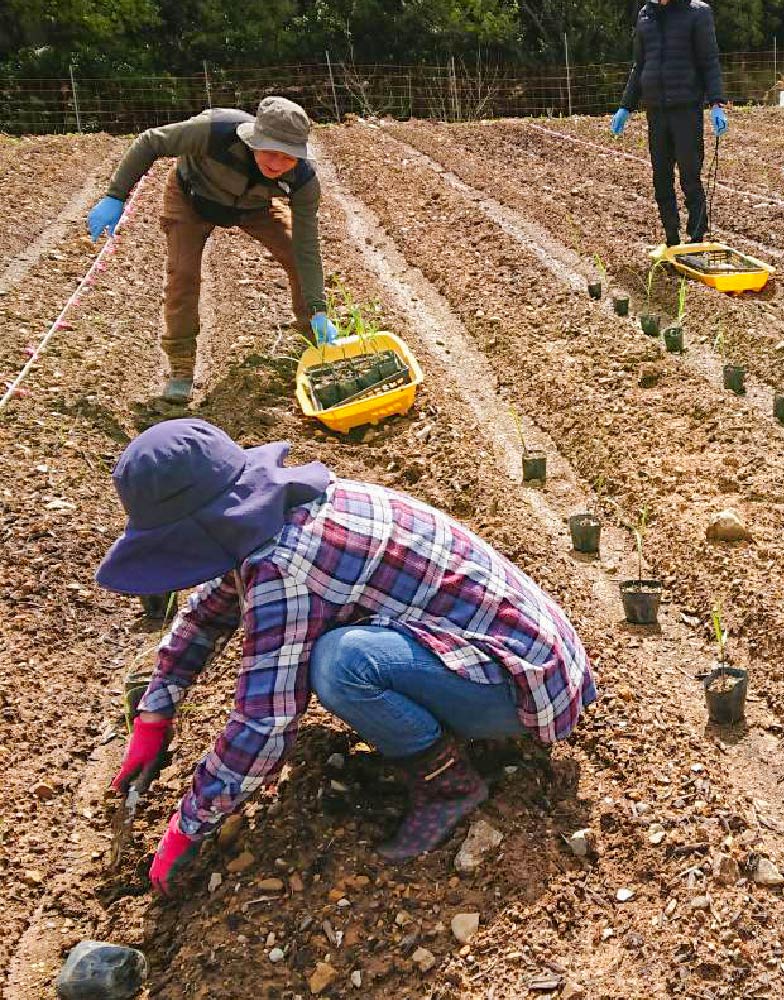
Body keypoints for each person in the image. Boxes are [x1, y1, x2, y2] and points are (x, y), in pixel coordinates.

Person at [98, 420, 595, 893]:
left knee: (341, 664)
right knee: (339, 655)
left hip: (526, 684)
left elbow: (264, 724)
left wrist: (190, 825)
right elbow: (210, 611)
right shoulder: (283, 509)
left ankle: (448, 785)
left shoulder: (285, 564)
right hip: (532, 652)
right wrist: (156, 711)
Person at [86, 97, 338, 406]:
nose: (277, 163)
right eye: (270, 152)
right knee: (183, 275)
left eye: (288, 157)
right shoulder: (214, 131)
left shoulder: (303, 181)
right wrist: (115, 195)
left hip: (253, 208)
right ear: (253, 139)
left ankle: (313, 344)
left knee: (296, 260)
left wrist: (318, 309)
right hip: (191, 197)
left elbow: (307, 247)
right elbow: (150, 141)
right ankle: (181, 366)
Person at [609, 0, 727, 247]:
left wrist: (716, 103)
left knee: (689, 176)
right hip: (656, 111)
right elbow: (639, 66)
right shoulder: (645, 15)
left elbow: (709, 61)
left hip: (686, 108)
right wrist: (625, 106)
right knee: (661, 178)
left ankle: (696, 238)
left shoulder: (697, 13)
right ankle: (671, 237)